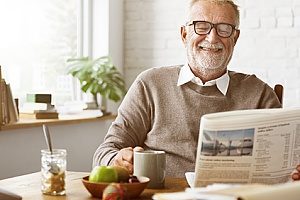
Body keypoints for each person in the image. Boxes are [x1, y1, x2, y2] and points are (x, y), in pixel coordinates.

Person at [93, 0, 296, 179]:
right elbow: (105, 152)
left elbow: (286, 161)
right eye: (202, 26)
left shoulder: (259, 93)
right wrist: (116, 160)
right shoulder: (150, 84)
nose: (212, 38)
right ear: (184, 34)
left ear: (235, 38)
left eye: (224, 29)